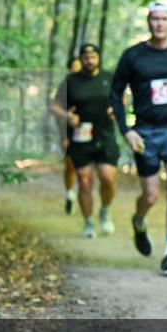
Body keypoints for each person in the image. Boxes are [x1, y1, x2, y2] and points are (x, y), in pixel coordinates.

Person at [110, 2, 167, 277]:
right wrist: (126, 130)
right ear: (148, 22)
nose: (159, 24)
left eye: (164, 19)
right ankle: (139, 220)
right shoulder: (133, 55)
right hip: (145, 132)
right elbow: (115, 93)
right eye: (155, 19)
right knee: (150, 194)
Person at [50, 44, 119, 237]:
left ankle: (105, 210)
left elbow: (121, 97)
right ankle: (88, 223)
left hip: (105, 135)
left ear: (99, 58)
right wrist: (66, 116)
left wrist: (116, 110)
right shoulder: (71, 81)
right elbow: (54, 105)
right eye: (86, 57)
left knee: (107, 178)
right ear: (81, 59)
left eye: (93, 57)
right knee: (85, 181)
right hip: (81, 137)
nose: (90, 60)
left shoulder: (109, 78)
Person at [61, 56, 82, 214]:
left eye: (78, 66)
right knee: (70, 166)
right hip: (70, 132)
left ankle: (84, 194)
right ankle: (69, 194)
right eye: (73, 66)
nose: (76, 69)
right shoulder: (66, 85)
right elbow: (58, 110)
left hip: (90, 132)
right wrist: (64, 136)